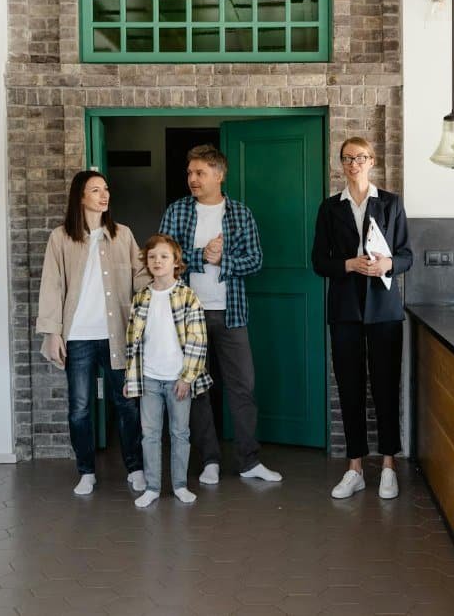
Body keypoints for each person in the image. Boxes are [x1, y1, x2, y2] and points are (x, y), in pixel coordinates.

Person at [159, 144, 282, 484]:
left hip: (231, 314)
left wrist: (222, 259)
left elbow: (255, 260)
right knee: (197, 390)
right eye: (190, 173)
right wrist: (202, 255)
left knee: (243, 388)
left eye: (200, 173)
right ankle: (209, 461)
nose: (192, 179)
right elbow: (163, 258)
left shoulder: (240, 213)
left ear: (219, 175)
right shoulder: (177, 211)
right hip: (188, 316)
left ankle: (249, 462)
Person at [310, 137, 412, 499]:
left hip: (384, 308)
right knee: (349, 387)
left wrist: (388, 264)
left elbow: (406, 255)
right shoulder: (329, 207)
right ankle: (354, 467)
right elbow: (318, 261)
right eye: (347, 158)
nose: (353, 164)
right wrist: (348, 265)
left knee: (386, 386)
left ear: (372, 161)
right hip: (344, 308)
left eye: (360, 158)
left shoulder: (391, 203)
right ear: (341, 164)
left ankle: (388, 465)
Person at [37, 170, 149, 496]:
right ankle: (86, 471)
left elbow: (141, 276)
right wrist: (53, 333)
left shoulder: (123, 235)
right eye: (96, 190)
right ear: (81, 196)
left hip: (117, 335)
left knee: (127, 405)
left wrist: (165, 285)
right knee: (79, 409)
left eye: (106, 189)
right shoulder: (61, 238)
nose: (104, 195)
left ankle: (135, 468)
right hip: (78, 337)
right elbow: (51, 286)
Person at [124, 234, 212, 508]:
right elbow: (133, 342)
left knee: (179, 433)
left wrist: (187, 378)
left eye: (164, 256)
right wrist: (131, 377)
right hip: (149, 378)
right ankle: (152, 487)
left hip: (177, 379)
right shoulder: (141, 297)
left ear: (176, 262)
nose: (157, 261)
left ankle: (180, 485)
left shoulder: (187, 296)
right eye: (152, 257)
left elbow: (198, 340)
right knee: (149, 434)